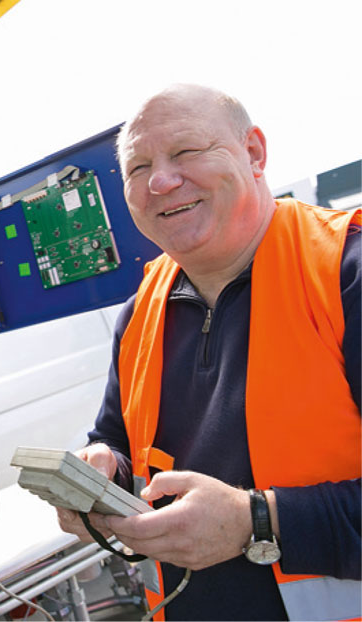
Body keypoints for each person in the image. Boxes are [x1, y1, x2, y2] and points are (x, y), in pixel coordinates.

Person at [57, 83, 360, 620]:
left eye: (187, 152)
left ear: (254, 154)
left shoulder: (345, 274)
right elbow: (118, 441)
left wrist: (257, 521)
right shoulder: (139, 315)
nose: (160, 180)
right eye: (137, 167)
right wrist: (106, 476)